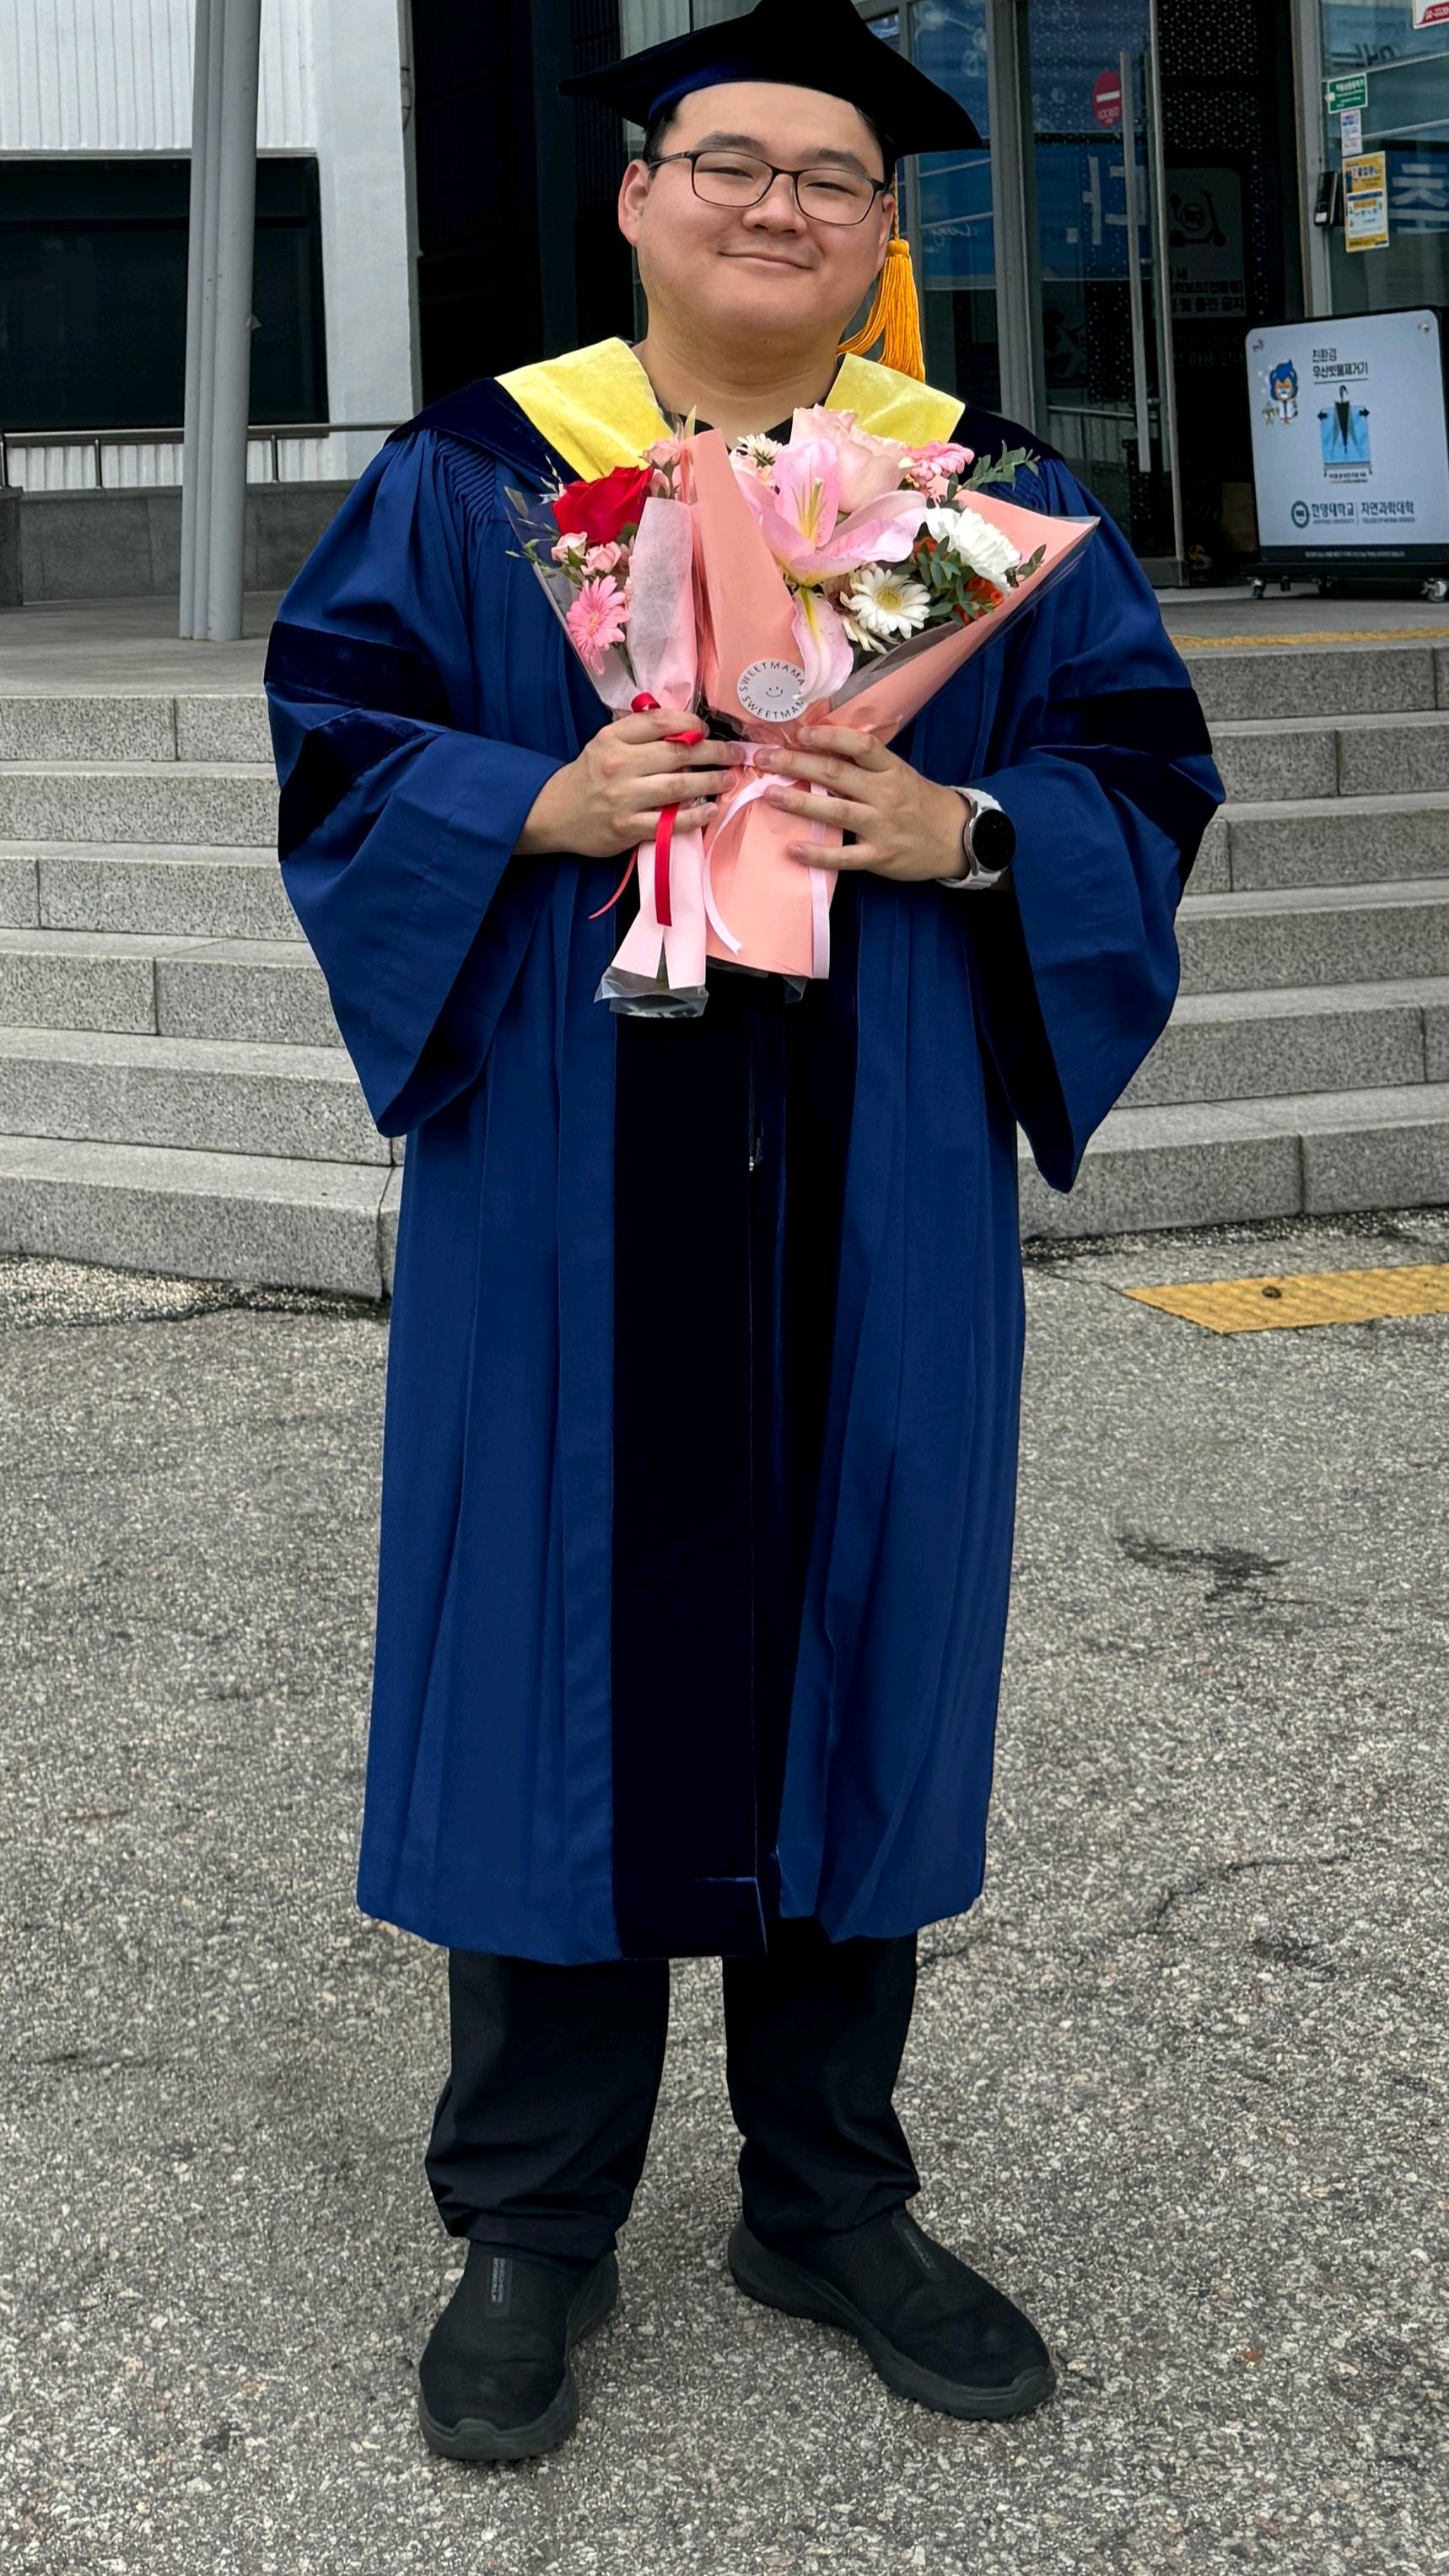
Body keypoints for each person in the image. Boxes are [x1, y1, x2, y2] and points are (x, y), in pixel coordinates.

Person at [263, 0, 1222, 2465]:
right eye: (733, 164)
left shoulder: (992, 496)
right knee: (549, 1659)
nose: (780, 204)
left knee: (858, 1635)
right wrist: (535, 800)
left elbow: (1141, 767)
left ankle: (826, 2196)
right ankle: (533, 2220)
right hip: (568, 1159)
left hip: (881, 1167)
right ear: (639, 198)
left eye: (834, 178)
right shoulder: (477, 478)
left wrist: (969, 834)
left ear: (887, 232)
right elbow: (339, 739)